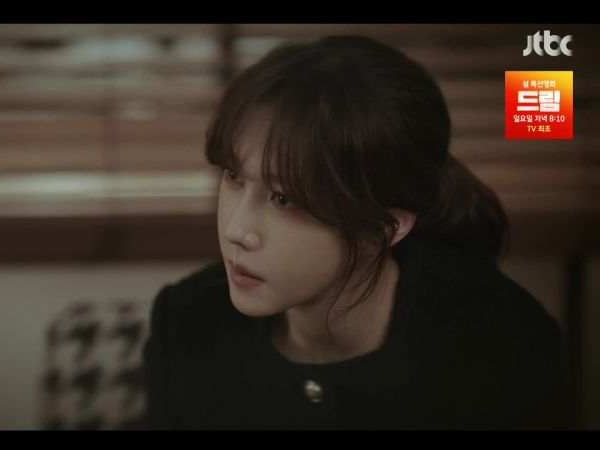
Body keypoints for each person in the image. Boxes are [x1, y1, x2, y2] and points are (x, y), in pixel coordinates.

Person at [141, 35, 569, 430]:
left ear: (386, 226)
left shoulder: (504, 346)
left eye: (284, 199)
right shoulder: (186, 323)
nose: (237, 230)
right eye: (234, 176)